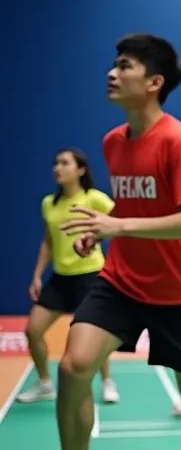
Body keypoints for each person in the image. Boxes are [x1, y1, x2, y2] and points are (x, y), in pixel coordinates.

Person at [17, 34, 181, 450]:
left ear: (154, 82)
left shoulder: (179, 141)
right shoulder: (115, 141)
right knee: (73, 367)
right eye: (113, 65)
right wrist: (107, 224)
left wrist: (121, 228)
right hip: (121, 280)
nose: (112, 73)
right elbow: (135, 205)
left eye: (125, 66)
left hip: (179, 290)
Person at [17, 149, 120, 407]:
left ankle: (107, 381)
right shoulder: (49, 203)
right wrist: (37, 276)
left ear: (81, 170)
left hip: (91, 276)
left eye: (65, 163)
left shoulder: (95, 199)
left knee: (94, 336)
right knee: (32, 330)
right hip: (60, 278)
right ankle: (44, 383)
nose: (58, 168)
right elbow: (48, 241)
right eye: (56, 163)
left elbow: (118, 223)